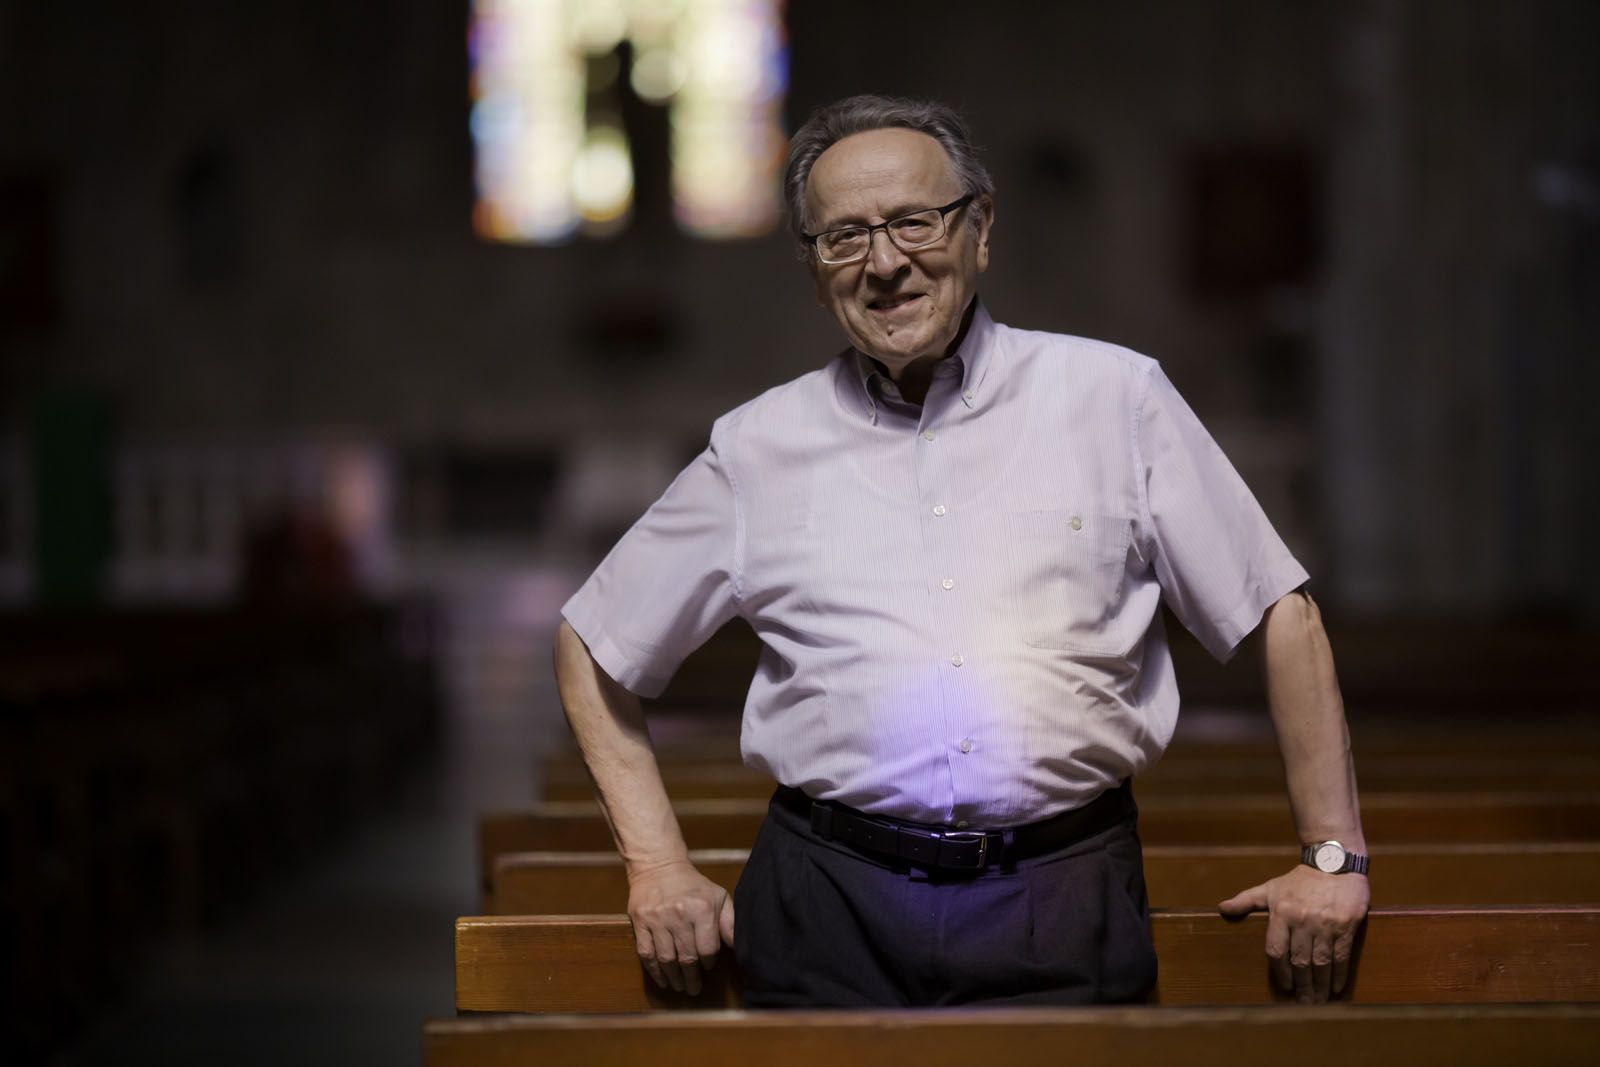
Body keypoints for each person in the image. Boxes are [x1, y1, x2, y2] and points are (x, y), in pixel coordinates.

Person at [554, 94, 1369, 1007]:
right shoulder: (756, 447)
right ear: (814, 268)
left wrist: (1330, 854)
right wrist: (657, 863)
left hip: (1061, 890)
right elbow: (593, 641)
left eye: (914, 221)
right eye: (845, 237)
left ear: (980, 230)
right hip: (823, 898)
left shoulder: (1115, 396)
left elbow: (1277, 608)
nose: (886, 262)